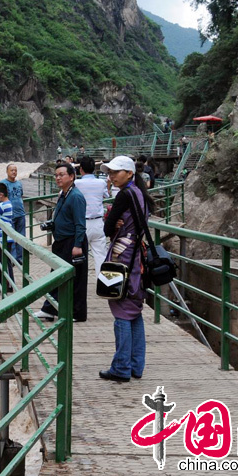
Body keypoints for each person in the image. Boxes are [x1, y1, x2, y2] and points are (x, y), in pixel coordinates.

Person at [98, 156, 156, 382]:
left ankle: (121, 368)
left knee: (121, 310)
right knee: (134, 310)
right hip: (136, 257)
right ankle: (135, 365)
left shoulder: (124, 195)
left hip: (122, 258)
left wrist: (113, 222)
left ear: (129, 174)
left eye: (116, 172)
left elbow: (106, 227)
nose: (111, 176)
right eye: (109, 172)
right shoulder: (140, 194)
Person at [34, 162, 89, 322]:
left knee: (77, 279)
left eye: (61, 175)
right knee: (57, 276)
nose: (58, 178)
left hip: (72, 242)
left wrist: (77, 245)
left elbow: (80, 224)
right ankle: (50, 309)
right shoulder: (64, 194)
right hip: (62, 241)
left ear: (71, 177)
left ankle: (77, 314)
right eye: (56, 175)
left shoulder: (76, 197)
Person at [75, 156, 110, 277]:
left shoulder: (76, 183)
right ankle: (103, 284)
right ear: (94, 169)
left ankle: (80, 283)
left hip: (81, 224)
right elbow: (107, 195)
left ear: (81, 169)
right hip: (98, 222)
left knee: (80, 255)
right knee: (101, 255)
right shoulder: (101, 183)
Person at [1, 164, 25, 266]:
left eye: (15, 170)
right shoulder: (3, 184)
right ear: (7, 171)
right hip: (9, 215)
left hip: (21, 213)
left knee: (21, 237)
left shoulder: (19, 183)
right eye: (11, 170)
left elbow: (21, 195)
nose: (14, 172)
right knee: (11, 237)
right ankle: (13, 259)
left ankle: (20, 258)